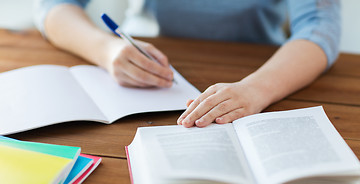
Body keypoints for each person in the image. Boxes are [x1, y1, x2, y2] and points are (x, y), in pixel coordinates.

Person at [34, 0, 341, 128]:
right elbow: (52, 7)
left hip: (266, 69)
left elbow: (320, 27)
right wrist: (106, 49)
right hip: (154, 72)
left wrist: (256, 89)